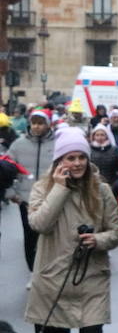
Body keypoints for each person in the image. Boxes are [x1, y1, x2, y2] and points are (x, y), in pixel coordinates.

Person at [23, 126, 118, 333]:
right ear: (59, 160)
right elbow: (38, 224)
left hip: (91, 276)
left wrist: (99, 240)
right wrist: (60, 188)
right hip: (52, 278)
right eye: (70, 157)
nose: (77, 163)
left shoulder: (101, 189)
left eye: (81, 156)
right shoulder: (43, 188)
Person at [9, 108, 56, 271]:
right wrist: (11, 193)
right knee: (29, 236)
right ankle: (33, 270)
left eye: (40, 123)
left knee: (49, 236)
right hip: (26, 199)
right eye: (34, 123)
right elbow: (6, 169)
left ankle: (47, 269)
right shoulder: (18, 144)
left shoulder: (57, 144)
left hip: (51, 199)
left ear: (48, 125)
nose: (36, 127)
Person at [87, 125, 118, 194]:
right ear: (93, 136)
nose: (99, 137)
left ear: (107, 136)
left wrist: (117, 184)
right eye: (97, 135)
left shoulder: (114, 150)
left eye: (102, 135)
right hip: (93, 186)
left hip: (111, 186)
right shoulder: (89, 150)